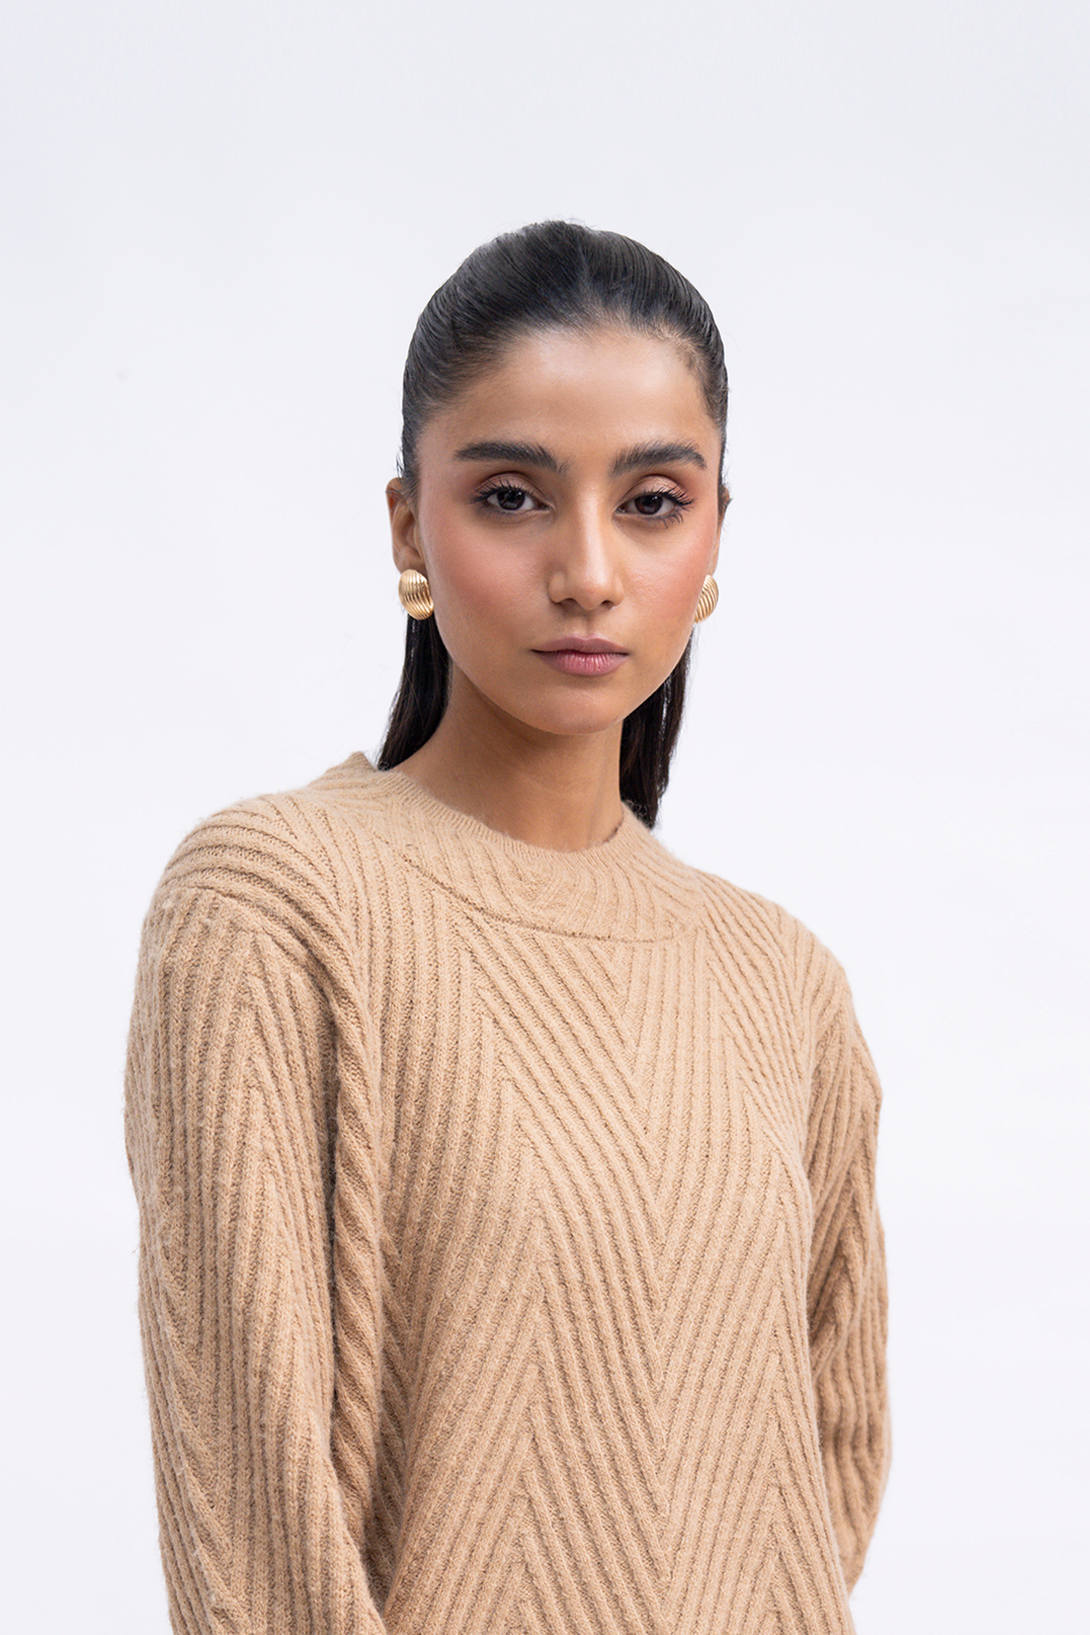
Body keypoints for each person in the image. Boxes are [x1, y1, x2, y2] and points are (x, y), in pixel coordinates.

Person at [124, 220, 890, 1635]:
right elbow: (251, 1527)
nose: (588, 569)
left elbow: (817, 1476)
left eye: (652, 500)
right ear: (409, 526)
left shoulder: (782, 980)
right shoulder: (275, 906)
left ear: (716, 533)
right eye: (511, 497)